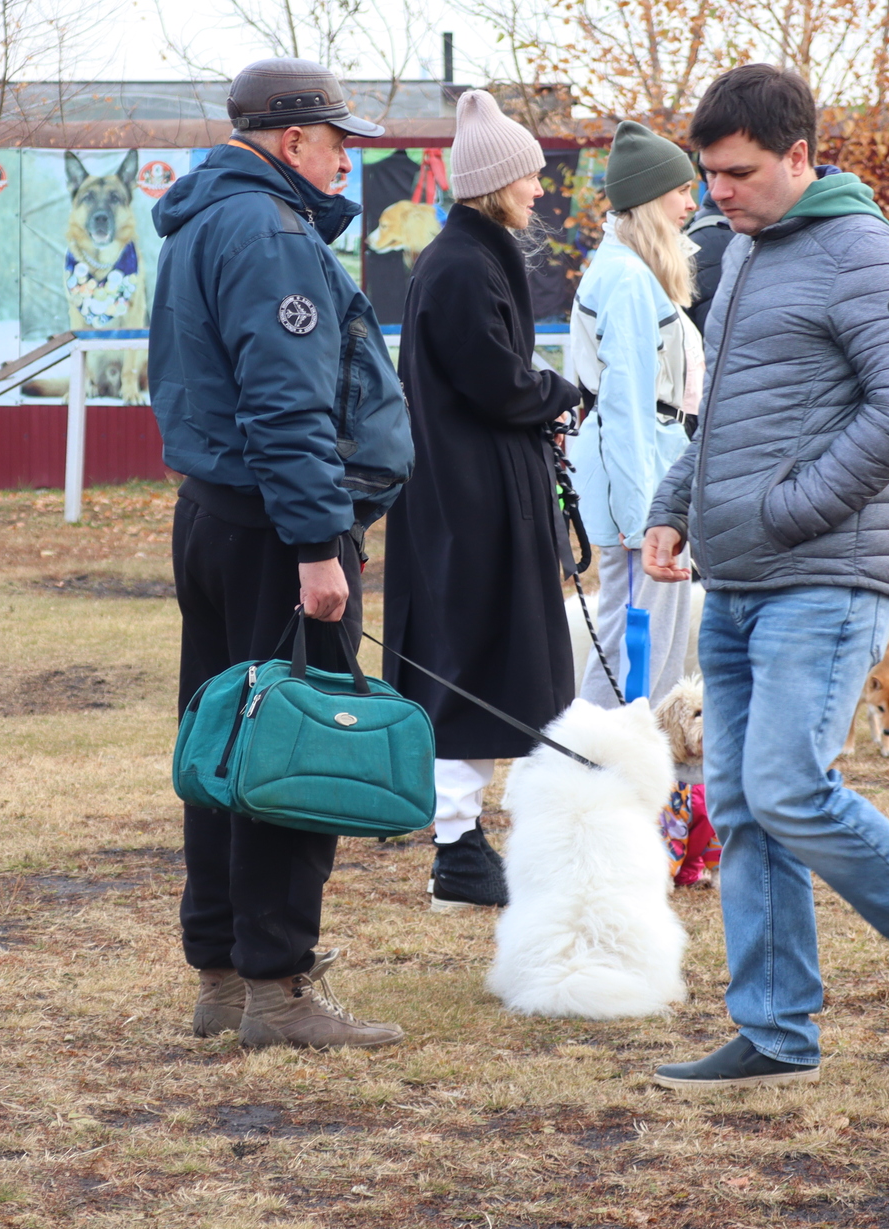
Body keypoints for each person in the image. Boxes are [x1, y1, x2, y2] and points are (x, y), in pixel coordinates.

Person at [642, 64, 889, 1089]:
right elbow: (733, 420)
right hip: (740, 579)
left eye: (738, 173)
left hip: (823, 574)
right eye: (707, 175)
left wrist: (785, 512)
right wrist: (678, 505)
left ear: (799, 157)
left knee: (791, 789)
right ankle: (773, 1031)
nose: (716, 193)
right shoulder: (743, 253)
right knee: (742, 800)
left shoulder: (859, 251)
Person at [148, 57, 413, 1050]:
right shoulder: (271, 232)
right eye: (338, 139)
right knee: (293, 752)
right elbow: (286, 404)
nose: (348, 157)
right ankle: (277, 988)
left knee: (221, 750)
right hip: (276, 528)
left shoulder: (205, 221)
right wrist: (315, 545)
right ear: (291, 142)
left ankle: (220, 975)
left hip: (216, 515)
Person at [382, 89, 584, 911]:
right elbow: (496, 381)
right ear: (498, 182)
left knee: (487, 663)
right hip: (471, 505)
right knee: (471, 664)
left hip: (480, 496)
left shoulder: (468, 255)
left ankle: (469, 845)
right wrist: (561, 394)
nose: (539, 189)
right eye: (530, 176)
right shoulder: (463, 265)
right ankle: (458, 848)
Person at [566, 119, 705, 709]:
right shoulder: (625, 278)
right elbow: (624, 405)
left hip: (653, 464)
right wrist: (641, 513)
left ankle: (625, 781)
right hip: (641, 475)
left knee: (645, 637)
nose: (692, 204)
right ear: (652, 198)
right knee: (642, 643)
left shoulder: (634, 271)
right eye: (682, 190)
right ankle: (604, 776)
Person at [683, 175, 733, 335]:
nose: (690, 204)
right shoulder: (719, 239)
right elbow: (717, 338)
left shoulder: (705, 230)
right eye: (681, 191)